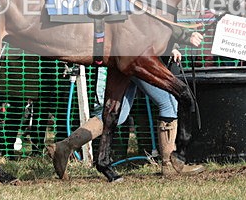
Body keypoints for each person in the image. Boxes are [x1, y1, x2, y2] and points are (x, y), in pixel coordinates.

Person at [51, 30, 205, 179]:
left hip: (129, 52)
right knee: (168, 103)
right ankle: (169, 164)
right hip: (139, 56)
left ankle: (65, 146)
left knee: (120, 113)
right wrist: (175, 45)